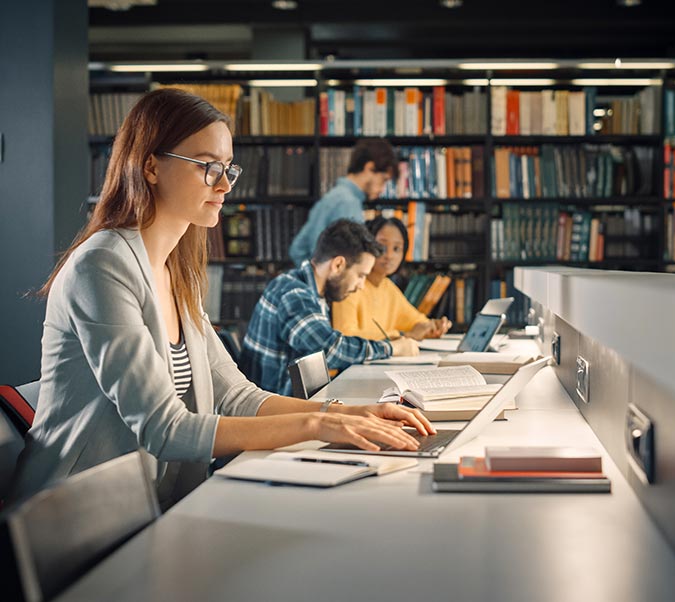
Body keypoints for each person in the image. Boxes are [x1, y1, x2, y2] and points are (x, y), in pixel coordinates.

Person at [10, 89, 433, 509]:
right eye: (209, 167)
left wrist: (348, 413)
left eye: (229, 168)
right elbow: (164, 428)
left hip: (149, 506)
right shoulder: (102, 266)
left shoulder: (178, 271)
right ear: (151, 166)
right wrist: (318, 424)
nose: (225, 184)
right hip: (73, 522)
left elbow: (237, 397)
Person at [240, 219, 420, 396]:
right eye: (360, 275)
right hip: (274, 414)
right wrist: (391, 348)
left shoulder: (312, 292)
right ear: (338, 265)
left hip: (293, 406)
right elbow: (329, 349)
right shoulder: (294, 293)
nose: (361, 285)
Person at [332, 216, 453, 340]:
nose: (389, 256)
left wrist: (433, 326)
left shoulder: (388, 287)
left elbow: (417, 321)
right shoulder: (350, 285)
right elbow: (345, 336)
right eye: (382, 247)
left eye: (396, 249)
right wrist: (402, 336)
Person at [288, 138, 398, 265]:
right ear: (369, 168)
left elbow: (297, 250)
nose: (382, 189)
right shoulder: (347, 203)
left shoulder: (336, 196)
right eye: (383, 180)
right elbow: (348, 262)